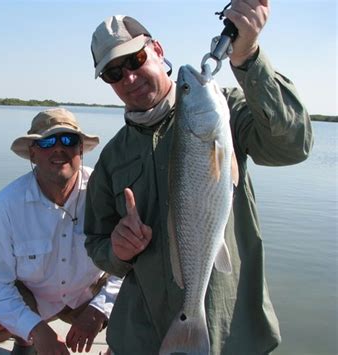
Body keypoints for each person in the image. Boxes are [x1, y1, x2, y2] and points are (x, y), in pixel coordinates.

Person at [84, 2, 314, 354]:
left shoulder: (228, 110)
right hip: (143, 337)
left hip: (231, 333)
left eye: (134, 60)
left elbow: (293, 145)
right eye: (114, 73)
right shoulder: (112, 158)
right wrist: (116, 249)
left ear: (157, 51)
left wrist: (248, 56)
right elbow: (95, 241)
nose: (128, 77)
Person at [0, 108, 121, 355]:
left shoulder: (105, 192)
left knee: (153, 300)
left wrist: (99, 311)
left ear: (80, 149)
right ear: (32, 153)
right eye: (48, 141)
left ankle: (118, 347)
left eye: (69, 140)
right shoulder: (4, 206)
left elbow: (130, 264)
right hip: (35, 299)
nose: (59, 148)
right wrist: (36, 330)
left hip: (88, 294)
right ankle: (26, 341)